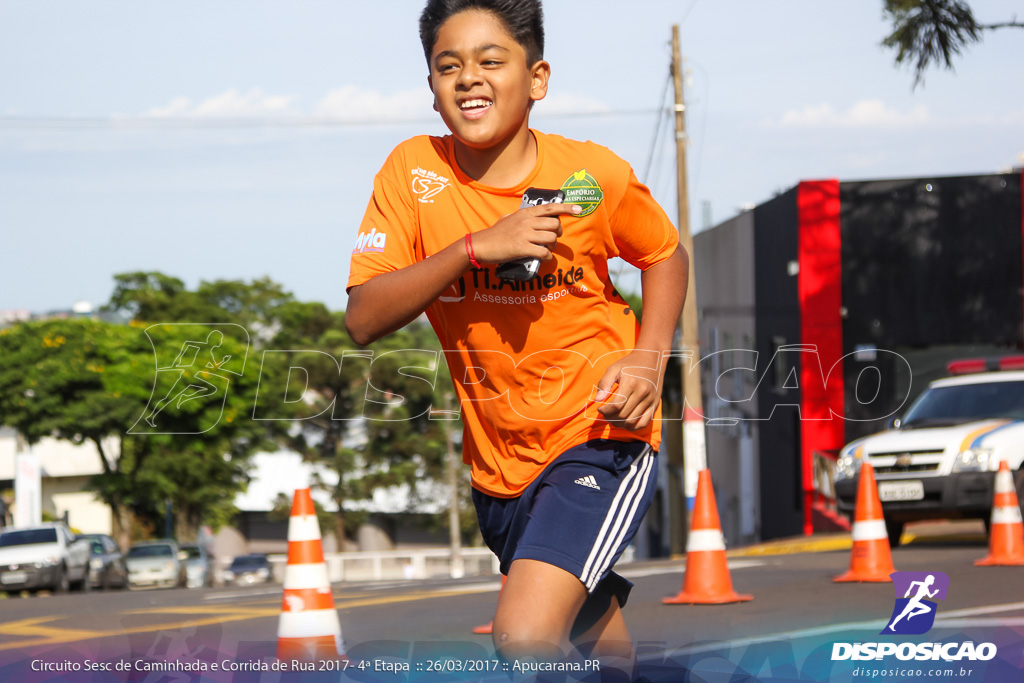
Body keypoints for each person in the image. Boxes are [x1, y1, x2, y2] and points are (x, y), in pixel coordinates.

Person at [346, 0, 688, 673]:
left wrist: (649, 361)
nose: (468, 77)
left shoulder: (591, 176)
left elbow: (666, 255)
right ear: (433, 90)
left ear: (537, 79)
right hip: (498, 466)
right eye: (449, 66)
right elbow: (363, 317)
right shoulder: (413, 175)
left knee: (525, 635)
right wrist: (474, 247)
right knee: (596, 644)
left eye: (490, 60)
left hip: (599, 434)